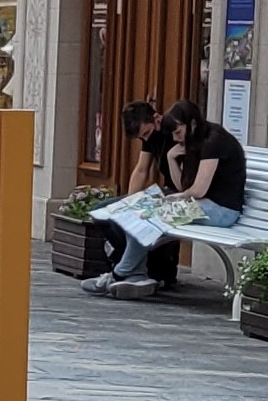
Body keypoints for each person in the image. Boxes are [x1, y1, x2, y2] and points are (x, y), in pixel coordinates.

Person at [84, 97, 247, 298]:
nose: (177, 138)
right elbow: (183, 186)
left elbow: (198, 191)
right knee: (140, 214)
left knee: (147, 215)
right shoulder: (193, 141)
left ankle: (119, 274)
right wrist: (171, 157)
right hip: (201, 204)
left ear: (192, 124)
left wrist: (174, 198)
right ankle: (136, 274)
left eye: (178, 132)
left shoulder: (214, 141)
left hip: (220, 210)